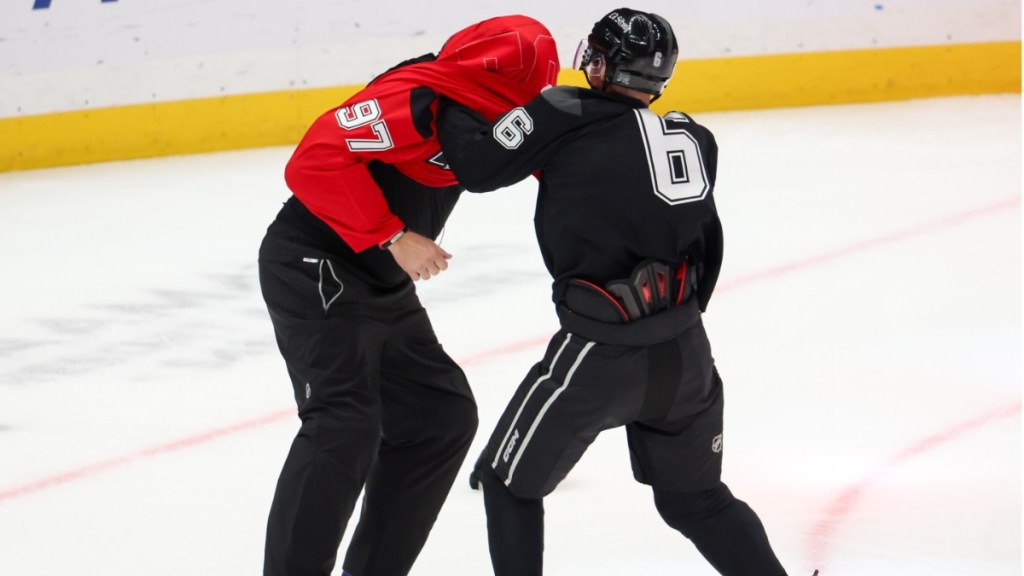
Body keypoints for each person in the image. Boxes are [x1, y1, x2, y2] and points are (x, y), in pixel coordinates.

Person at [438, 8, 797, 576]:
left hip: (599, 353)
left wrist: (445, 91)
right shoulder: (695, 138)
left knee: (509, 484)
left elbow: (478, 166)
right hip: (686, 354)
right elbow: (707, 242)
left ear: (601, 63)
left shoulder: (561, 109)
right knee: (694, 500)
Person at [257, 15, 559, 576]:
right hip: (314, 265)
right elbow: (313, 159)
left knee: (440, 416)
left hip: (376, 279)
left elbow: (553, 156)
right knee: (344, 424)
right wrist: (391, 235)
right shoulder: (416, 101)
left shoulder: (493, 110)